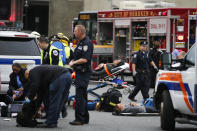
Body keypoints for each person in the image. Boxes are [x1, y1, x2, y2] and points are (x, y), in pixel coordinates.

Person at [69, 25, 93, 125]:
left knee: (79, 97)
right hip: (79, 72)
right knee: (83, 96)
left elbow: (85, 59)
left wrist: (73, 63)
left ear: (81, 32)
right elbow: (78, 56)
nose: (74, 33)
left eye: (75, 31)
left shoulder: (87, 43)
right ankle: (85, 118)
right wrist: (72, 60)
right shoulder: (80, 42)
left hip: (83, 72)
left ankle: (79, 119)